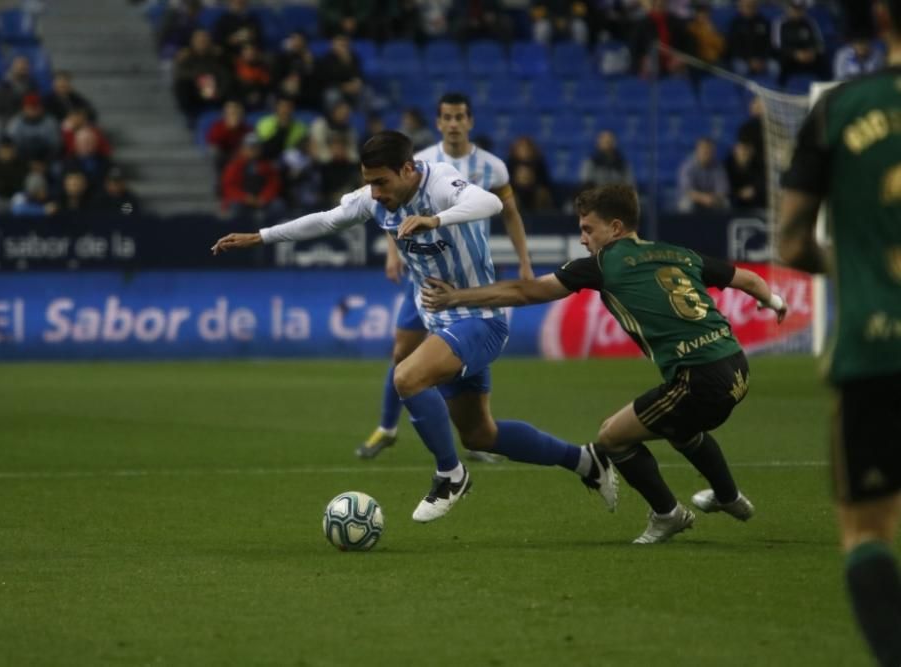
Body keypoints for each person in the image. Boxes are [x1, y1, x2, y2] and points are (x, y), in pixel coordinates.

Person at [212, 130, 616, 522]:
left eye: (381, 182)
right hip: (442, 322)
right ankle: (584, 460)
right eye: (368, 183)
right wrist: (259, 236)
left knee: (407, 376)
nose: (375, 193)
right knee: (480, 435)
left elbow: (490, 203)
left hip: (481, 319)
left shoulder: (440, 182)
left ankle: (451, 475)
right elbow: (326, 221)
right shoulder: (376, 200)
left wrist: (434, 219)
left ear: (408, 169)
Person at [421, 183, 789, 543]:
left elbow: (524, 290)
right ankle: (729, 497)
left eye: (587, 229)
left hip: (700, 380)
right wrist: (773, 301)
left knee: (612, 437)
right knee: (680, 426)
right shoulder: (678, 252)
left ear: (614, 228)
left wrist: (456, 298)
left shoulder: (604, 264)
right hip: (737, 368)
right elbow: (749, 279)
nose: (583, 239)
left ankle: (668, 515)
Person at [778, 1, 901, 663]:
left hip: (874, 349)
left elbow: (792, 241)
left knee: (867, 529)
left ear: (883, 22)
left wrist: (851, 260)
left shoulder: (839, 108)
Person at [356, 93, 535, 464]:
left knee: (467, 352)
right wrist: (393, 253)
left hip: (470, 274)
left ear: (470, 121)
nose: (453, 123)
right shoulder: (421, 162)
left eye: (459, 117)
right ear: (438, 123)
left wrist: (524, 261)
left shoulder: (493, 168)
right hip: (424, 274)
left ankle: (474, 437)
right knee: (403, 352)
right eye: (446, 117)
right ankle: (387, 428)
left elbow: (511, 214)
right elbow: (391, 206)